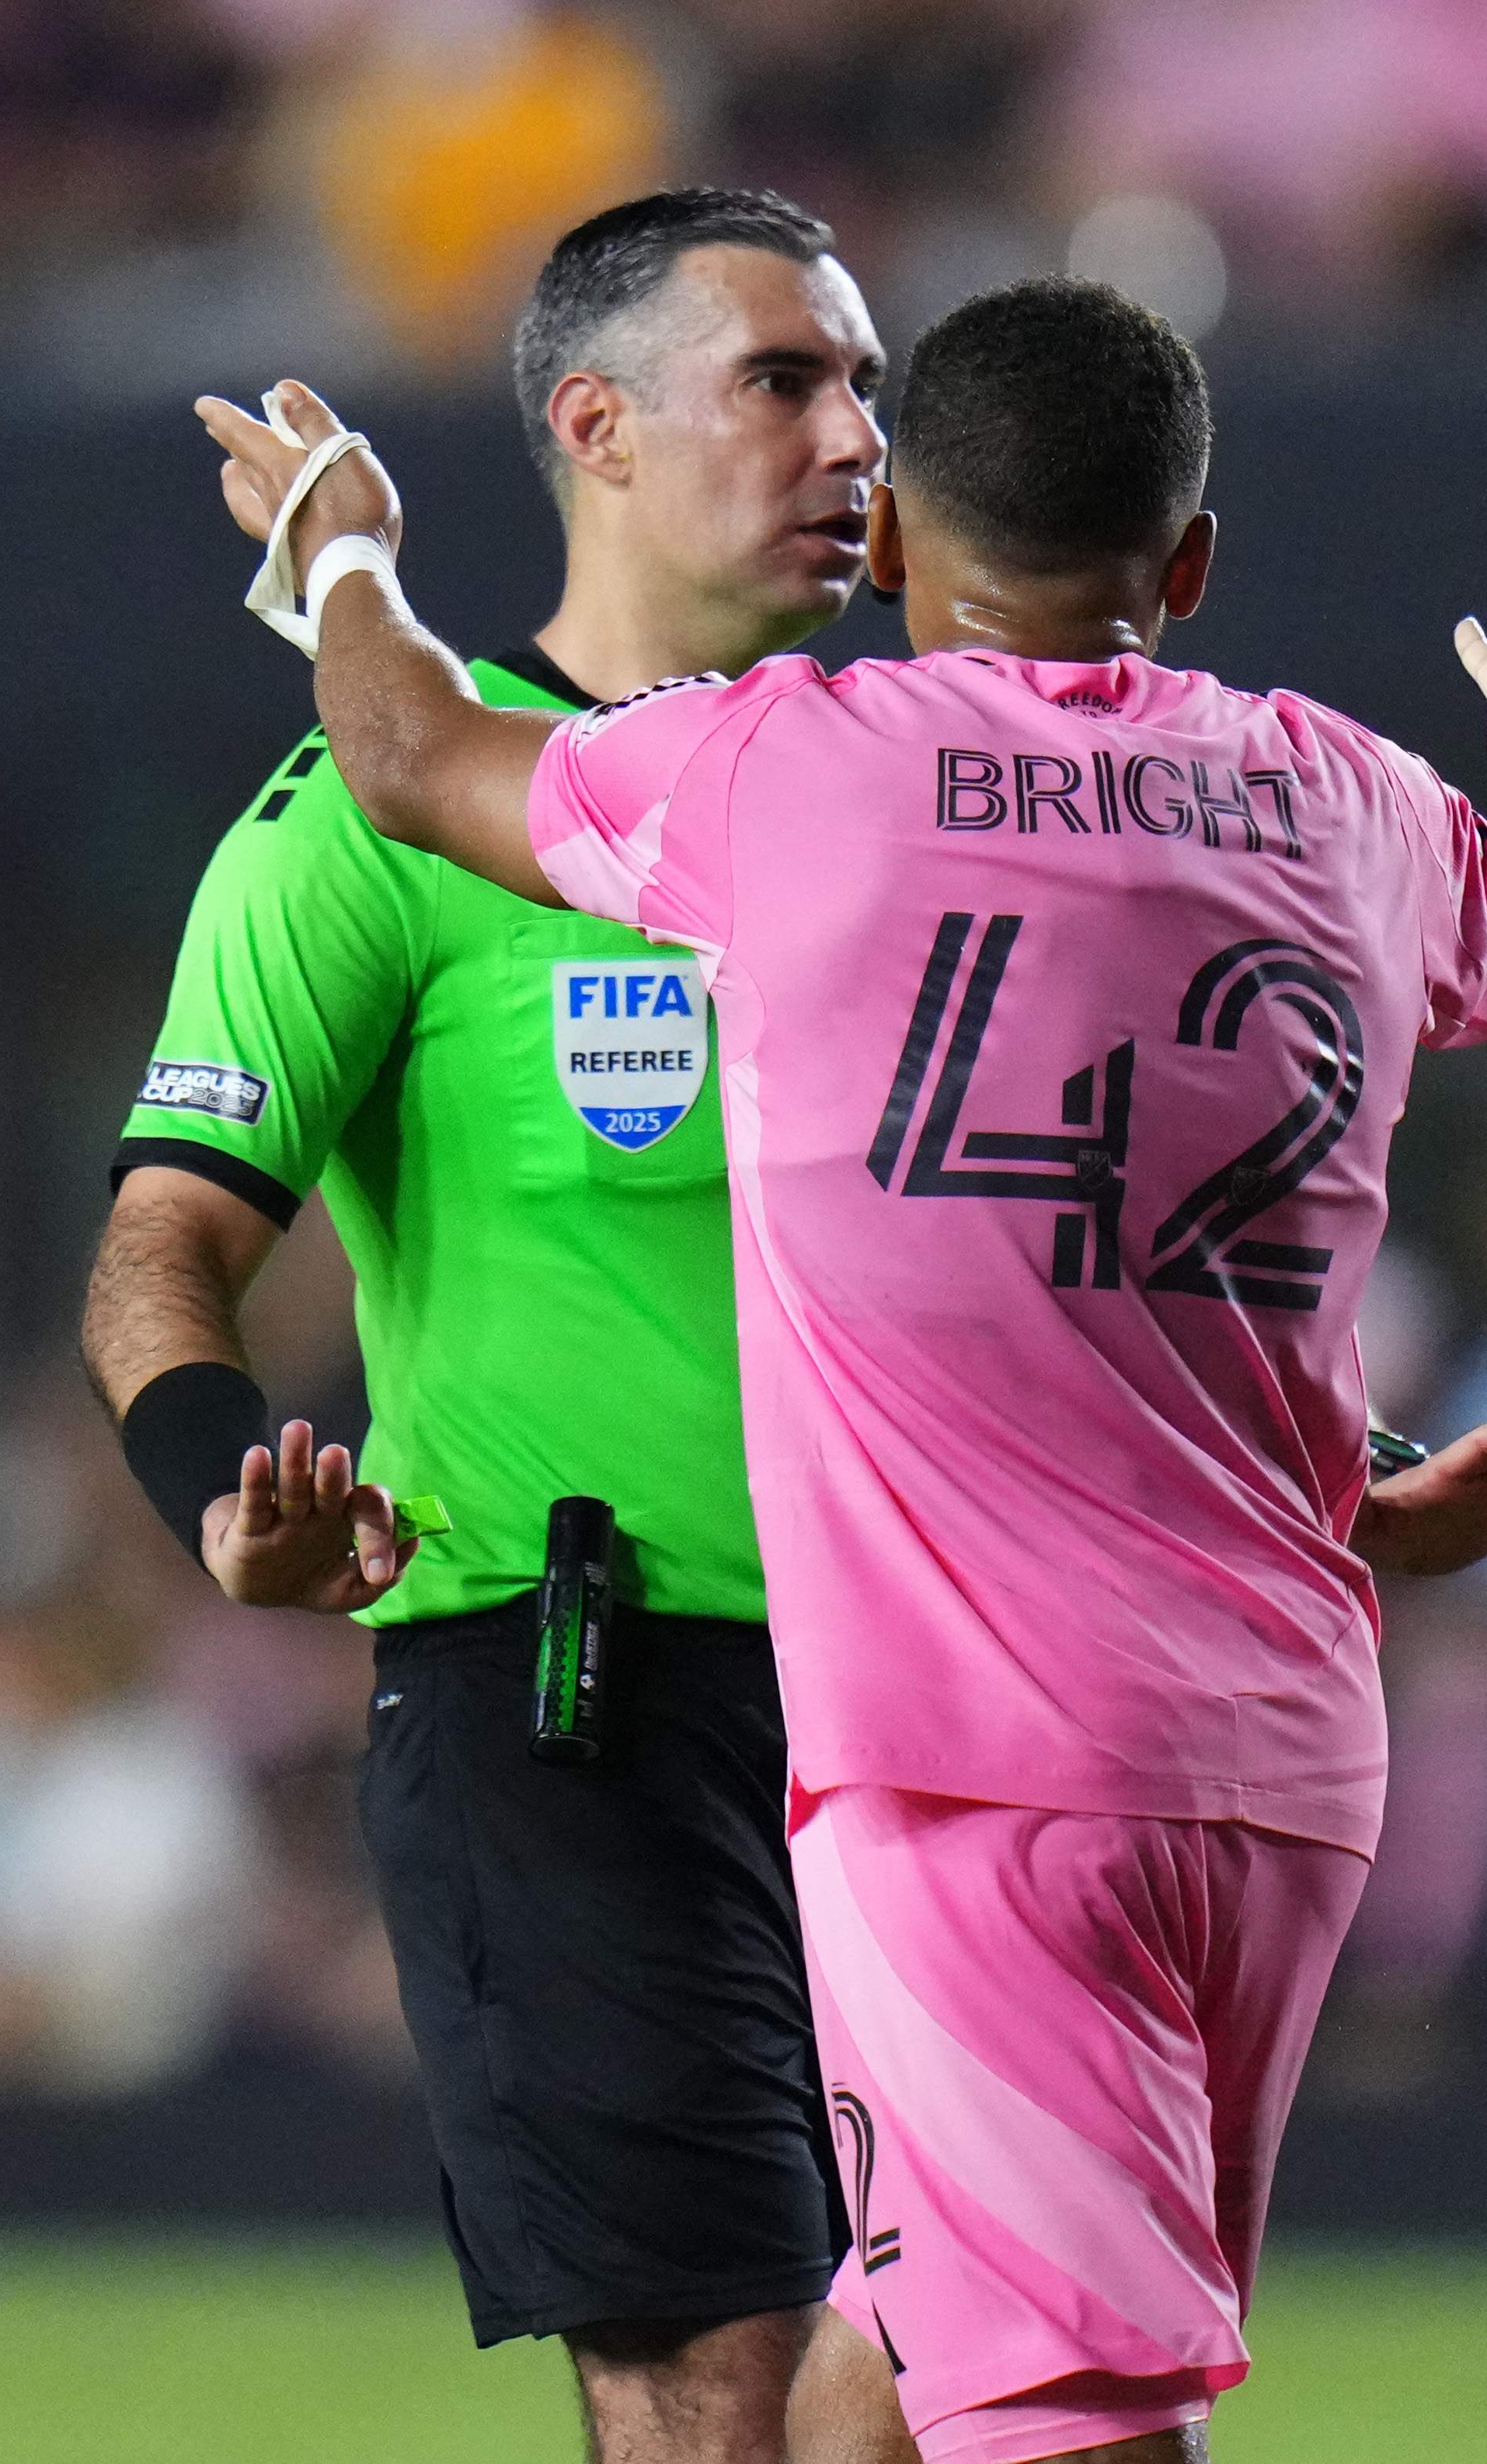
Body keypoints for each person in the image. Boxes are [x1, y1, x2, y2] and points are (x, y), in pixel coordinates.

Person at [190, 277, 1487, 2464]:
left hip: (976, 1773)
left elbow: (408, 753)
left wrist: (337, 537)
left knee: (1066, 2417)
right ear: (1190, 569)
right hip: (1278, 1756)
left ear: (890, 544)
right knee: (912, 2366)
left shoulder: (788, 776)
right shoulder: (1345, 796)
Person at [85, 186, 893, 2464]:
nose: (855, 435)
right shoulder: (361, 833)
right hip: (584, 1708)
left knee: (999, 2386)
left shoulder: (917, 797)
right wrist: (224, 1488)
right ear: (596, 426)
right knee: (715, 2403)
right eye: (785, 379)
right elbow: (161, 1251)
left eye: (868, 386)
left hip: (939, 1700)